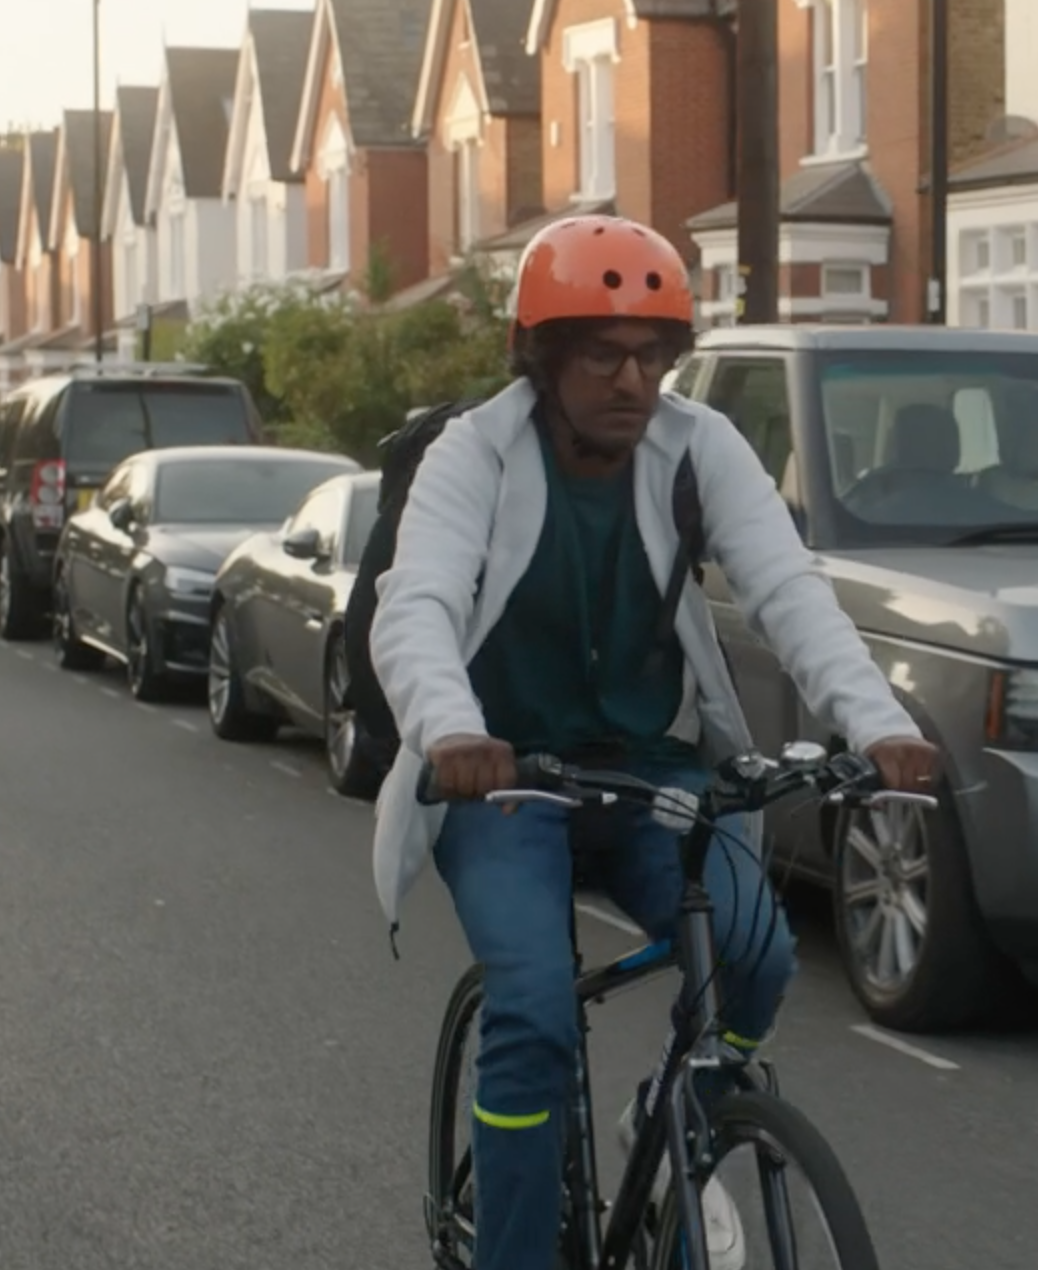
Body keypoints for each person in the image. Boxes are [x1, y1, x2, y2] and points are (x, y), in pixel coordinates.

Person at [367, 215, 941, 1270]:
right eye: (600, 354)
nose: (631, 380)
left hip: (649, 778)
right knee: (535, 1015)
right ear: (541, 360)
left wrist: (881, 725)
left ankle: (676, 1104)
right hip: (503, 787)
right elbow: (418, 606)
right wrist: (451, 729)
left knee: (758, 956)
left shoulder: (698, 449)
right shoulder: (476, 455)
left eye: (651, 356)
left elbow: (787, 592)